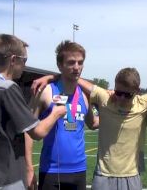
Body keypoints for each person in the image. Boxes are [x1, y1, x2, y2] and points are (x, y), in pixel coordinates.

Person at [0, 34, 67, 189]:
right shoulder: (8, 88)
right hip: (10, 182)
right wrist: (57, 112)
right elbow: (37, 132)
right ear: (13, 60)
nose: (25, 65)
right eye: (24, 60)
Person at [25, 40, 98, 190]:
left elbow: (93, 123)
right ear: (60, 65)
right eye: (71, 63)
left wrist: (117, 115)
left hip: (79, 170)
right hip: (51, 171)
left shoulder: (85, 95)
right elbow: (27, 131)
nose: (77, 67)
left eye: (80, 62)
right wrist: (28, 168)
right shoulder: (46, 92)